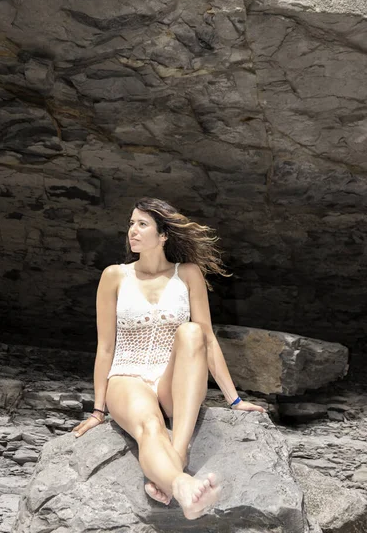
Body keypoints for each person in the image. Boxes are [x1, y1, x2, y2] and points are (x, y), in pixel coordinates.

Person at [73, 197, 265, 520]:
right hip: (127, 377)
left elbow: (208, 339)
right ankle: (182, 485)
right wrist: (97, 411)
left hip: (171, 383)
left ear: (163, 235)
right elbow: (105, 347)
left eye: (142, 224)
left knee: (192, 333)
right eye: (131, 224)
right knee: (150, 426)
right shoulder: (114, 276)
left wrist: (235, 400)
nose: (132, 231)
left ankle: (175, 458)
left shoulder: (188, 274)